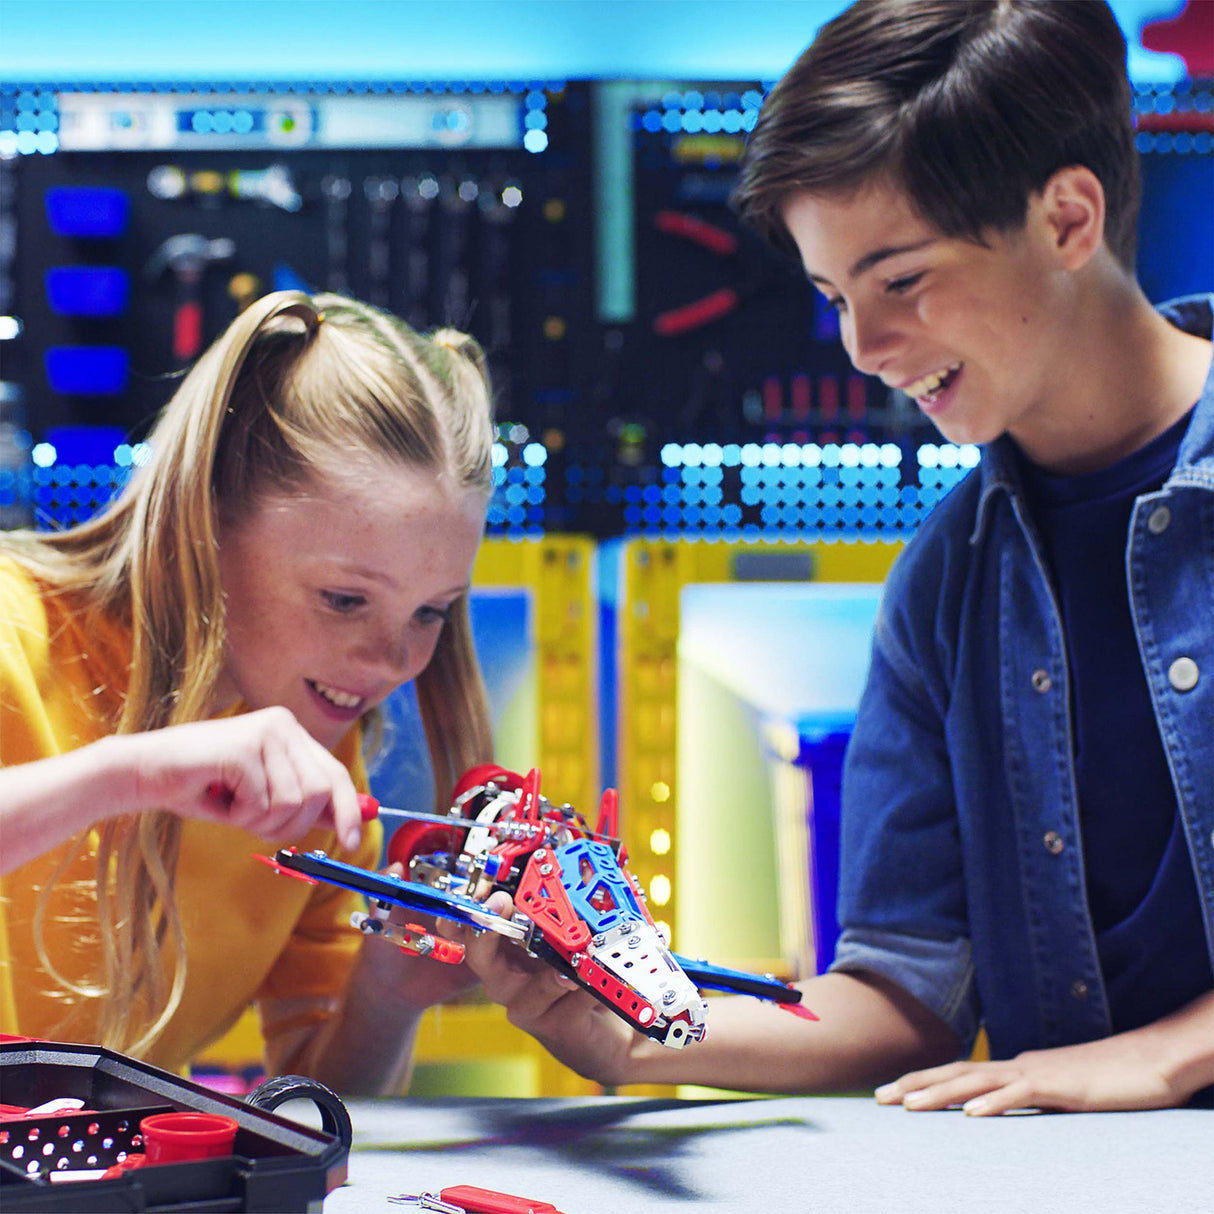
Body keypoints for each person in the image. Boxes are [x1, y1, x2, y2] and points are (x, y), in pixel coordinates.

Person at [464, 0, 1214, 1114]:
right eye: (832, 298)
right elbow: (901, 994)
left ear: (1065, 218)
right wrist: (629, 1033)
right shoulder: (942, 582)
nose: (864, 348)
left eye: (899, 279)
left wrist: (1170, 1048)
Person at [0, 290, 496, 1095]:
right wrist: (130, 773)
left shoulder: (320, 788)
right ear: (207, 516)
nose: (391, 661)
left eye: (432, 612)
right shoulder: (13, 631)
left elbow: (320, 1113)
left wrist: (387, 991)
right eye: (344, 600)